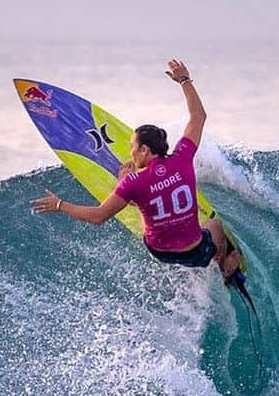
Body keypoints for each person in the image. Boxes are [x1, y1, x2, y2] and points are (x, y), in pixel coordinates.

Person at [31, 59, 242, 281]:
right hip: (195, 252)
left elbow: (98, 216)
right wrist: (184, 80)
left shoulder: (132, 183)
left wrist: (60, 204)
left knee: (142, 197)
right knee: (215, 227)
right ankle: (224, 264)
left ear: (143, 150)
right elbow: (198, 117)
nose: (130, 152)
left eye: (132, 147)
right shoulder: (183, 158)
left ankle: (135, 201)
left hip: (159, 252)